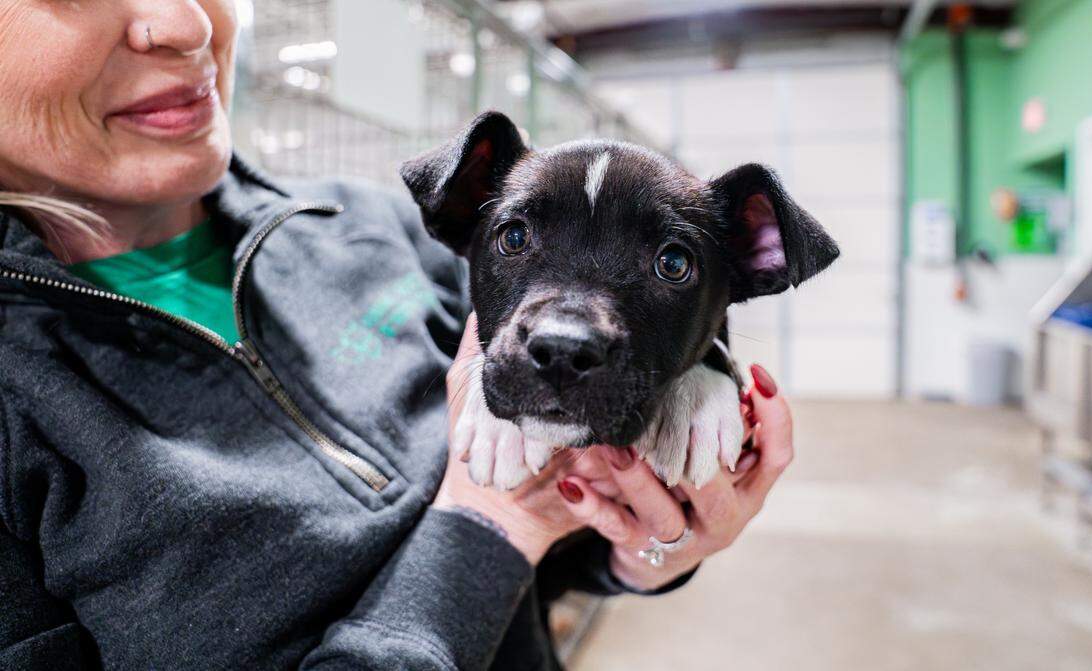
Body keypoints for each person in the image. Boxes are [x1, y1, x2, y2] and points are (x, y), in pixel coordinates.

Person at [0, 1, 794, 669]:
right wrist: (490, 523)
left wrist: (647, 545)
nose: (182, 23)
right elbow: (512, 517)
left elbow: (554, 540)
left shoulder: (369, 225)